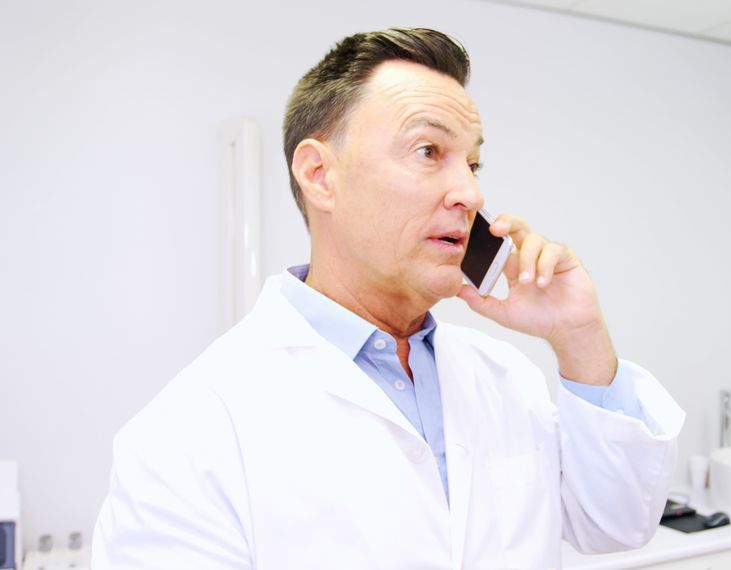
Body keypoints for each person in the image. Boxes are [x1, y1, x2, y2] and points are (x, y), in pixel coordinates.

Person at [91, 28, 684, 569]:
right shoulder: (188, 433)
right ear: (320, 175)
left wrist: (579, 338)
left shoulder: (504, 378)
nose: (471, 191)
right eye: (429, 152)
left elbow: (618, 524)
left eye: (473, 162)